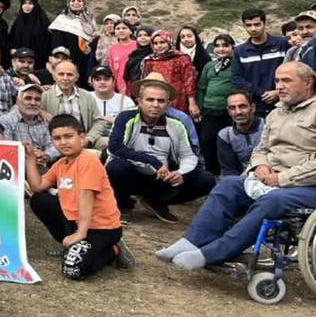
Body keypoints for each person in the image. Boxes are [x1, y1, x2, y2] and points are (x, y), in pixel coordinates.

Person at [158, 61, 316, 270]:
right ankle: (192, 241)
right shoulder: (276, 113)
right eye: (277, 81)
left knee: (273, 200)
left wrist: (283, 179)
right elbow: (261, 149)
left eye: (287, 80)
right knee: (228, 186)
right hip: (280, 181)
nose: (280, 86)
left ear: (308, 83)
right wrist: (260, 167)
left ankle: (215, 253)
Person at [25, 115, 134, 278]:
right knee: (39, 199)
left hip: (101, 227)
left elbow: (86, 196)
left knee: (73, 269)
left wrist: (81, 232)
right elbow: (37, 186)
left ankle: (113, 250)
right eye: (57, 138)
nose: (63, 142)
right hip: (75, 221)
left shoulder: (88, 160)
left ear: (81, 138)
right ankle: (74, 247)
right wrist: (30, 160)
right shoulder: (61, 164)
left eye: (68, 136)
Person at [106, 74, 215, 223]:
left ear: (168, 104)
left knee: (206, 179)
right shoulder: (126, 118)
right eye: (150, 100)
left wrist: (181, 173)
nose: (155, 105)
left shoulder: (177, 123)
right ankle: (124, 205)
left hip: (162, 177)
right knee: (116, 167)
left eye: (161, 101)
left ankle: (156, 201)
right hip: (133, 172)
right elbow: (115, 147)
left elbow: (189, 154)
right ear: (140, 101)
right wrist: (153, 162)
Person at [231, 8, 289, 115]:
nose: (253, 29)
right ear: (244, 26)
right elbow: (237, 79)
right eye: (249, 25)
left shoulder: (282, 44)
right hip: (255, 107)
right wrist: (261, 93)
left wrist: (278, 92)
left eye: (257, 24)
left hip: (283, 103)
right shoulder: (240, 51)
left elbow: (292, 71)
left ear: (264, 23)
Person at [196, 33, 237, 174]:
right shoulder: (210, 65)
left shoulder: (238, 64)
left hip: (229, 111)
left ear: (233, 47)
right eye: (217, 46)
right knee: (207, 141)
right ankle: (211, 173)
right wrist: (201, 108)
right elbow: (202, 87)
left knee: (227, 141)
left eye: (225, 45)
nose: (221, 49)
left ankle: (229, 172)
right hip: (209, 110)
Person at [141, 31, 199, 119]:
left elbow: (189, 81)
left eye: (162, 42)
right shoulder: (150, 61)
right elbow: (147, 82)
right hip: (158, 98)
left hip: (179, 99)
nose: (159, 46)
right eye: (155, 43)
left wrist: (192, 103)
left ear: (169, 42)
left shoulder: (181, 58)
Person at [0, 83, 56, 169]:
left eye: (37, 99)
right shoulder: (6, 120)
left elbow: (54, 146)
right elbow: (6, 150)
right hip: (15, 169)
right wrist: (30, 155)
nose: (33, 103)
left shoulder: (45, 121)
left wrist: (46, 155)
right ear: (18, 101)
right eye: (28, 98)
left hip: (41, 167)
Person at [49, 0, 99, 83]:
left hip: (85, 58)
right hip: (67, 57)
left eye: (79, 1)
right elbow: (56, 42)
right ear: (68, 3)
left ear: (84, 4)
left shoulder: (89, 19)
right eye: (73, 1)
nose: (76, 3)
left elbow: (93, 37)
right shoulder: (62, 19)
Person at [216, 91, 264, 177]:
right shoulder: (225, 135)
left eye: (242, 106)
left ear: (252, 108)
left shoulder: (268, 127)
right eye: (232, 108)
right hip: (240, 180)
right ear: (229, 111)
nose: (238, 112)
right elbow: (229, 170)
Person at [41, 58, 99, 131]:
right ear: (54, 77)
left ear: (76, 77)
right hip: (54, 139)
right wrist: (40, 111)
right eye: (61, 74)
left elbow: (99, 121)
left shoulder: (87, 96)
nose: (65, 78)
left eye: (70, 74)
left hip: (82, 138)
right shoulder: (45, 96)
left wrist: (89, 138)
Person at [89, 65, 135, 150]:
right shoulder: (85, 97)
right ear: (91, 81)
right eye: (98, 79)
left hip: (119, 139)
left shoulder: (125, 101)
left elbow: (133, 125)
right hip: (90, 139)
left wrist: (115, 121)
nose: (102, 82)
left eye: (106, 79)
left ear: (113, 81)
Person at [105, 20, 138, 95]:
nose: (121, 31)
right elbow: (112, 69)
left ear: (131, 31)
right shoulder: (113, 49)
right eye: (118, 29)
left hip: (135, 85)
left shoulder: (137, 46)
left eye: (124, 28)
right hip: (120, 86)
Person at [123, 27, 154, 94]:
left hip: (152, 91)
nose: (143, 38)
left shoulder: (155, 55)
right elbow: (127, 77)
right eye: (140, 36)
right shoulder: (134, 55)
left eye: (146, 35)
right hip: (135, 91)